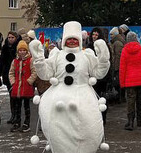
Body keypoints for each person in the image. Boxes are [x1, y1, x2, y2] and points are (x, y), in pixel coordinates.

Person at [28, 21, 110, 153]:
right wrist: (38, 59)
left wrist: (103, 58)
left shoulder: (86, 55)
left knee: (87, 127)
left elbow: (99, 72)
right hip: (58, 99)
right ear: (64, 40)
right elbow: (45, 74)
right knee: (58, 130)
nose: (72, 41)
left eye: (75, 39)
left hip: (83, 98)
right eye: (69, 39)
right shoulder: (57, 55)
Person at [119, 31, 141, 130]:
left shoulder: (124, 51)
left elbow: (122, 68)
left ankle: (130, 122)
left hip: (129, 82)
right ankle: (140, 121)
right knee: (140, 101)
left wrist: (122, 83)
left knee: (130, 101)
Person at [8, 39, 36, 132]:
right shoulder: (15, 61)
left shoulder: (30, 60)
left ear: (27, 51)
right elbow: (11, 73)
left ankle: (26, 123)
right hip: (17, 87)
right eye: (20, 50)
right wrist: (13, 82)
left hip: (26, 86)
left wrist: (29, 81)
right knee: (17, 106)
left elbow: (34, 72)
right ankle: (17, 122)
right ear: (18, 51)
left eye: (24, 50)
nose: (22, 52)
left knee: (27, 106)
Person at [0, 31, 21, 124]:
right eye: (9, 37)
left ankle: (17, 116)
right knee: (11, 95)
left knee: (17, 97)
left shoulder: (19, 47)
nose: (10, 39)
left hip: (17, 74)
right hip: (8, 73)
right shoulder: (5, 47)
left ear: (16, 38)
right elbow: (2, 61)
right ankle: (13, 115)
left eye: (12, 37)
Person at [110, 26, 126, 102]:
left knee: (118, 83)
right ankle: (120, 97)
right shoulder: (117, 42)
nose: (110, 36)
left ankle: (120, 97)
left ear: (115, 35)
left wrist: (116, 68)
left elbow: (118, 56)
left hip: (118, 67)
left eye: (112, 34)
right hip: (117, 66)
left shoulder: (117, 43)